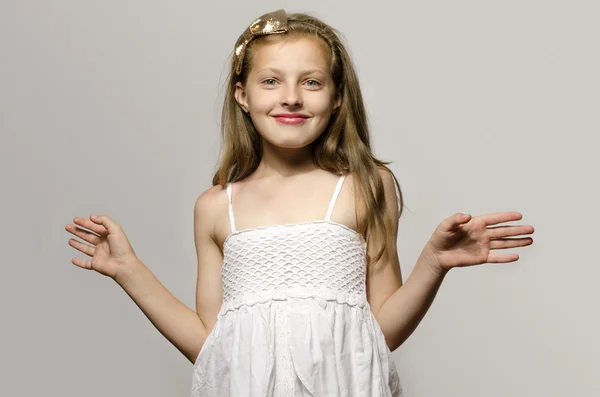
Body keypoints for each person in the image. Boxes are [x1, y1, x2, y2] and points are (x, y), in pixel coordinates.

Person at [64, 9, 534, 397]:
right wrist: (128, 270)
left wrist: (433, 263)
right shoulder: (214, 207)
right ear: (242, 96)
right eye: (271, 81)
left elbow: (379, 335)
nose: (291, 97)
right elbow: (211, 345)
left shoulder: (367, 186)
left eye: (311, 82)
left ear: (336, 97)